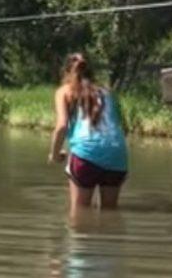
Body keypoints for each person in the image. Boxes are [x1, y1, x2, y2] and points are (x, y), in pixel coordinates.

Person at [48, 52, 128, 218]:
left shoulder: (64, 91)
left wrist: (54, 155)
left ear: (66, 72)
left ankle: (81, 244)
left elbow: (62, 126)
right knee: (110, 214)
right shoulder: (108, 92)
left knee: (80, 214)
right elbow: (121, 127)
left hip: (86, 155)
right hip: (117, 153)